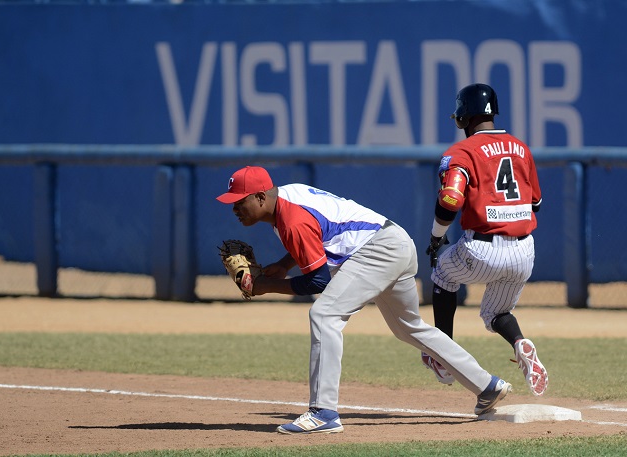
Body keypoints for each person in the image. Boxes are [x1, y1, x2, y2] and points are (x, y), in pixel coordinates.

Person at [216, 165, 512, 435]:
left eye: (238, 201)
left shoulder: (291, 219)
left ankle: (323, 412)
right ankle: (486, 385)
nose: (234, 209)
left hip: (377, 250)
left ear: (259, 197)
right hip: (395, 242)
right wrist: (283, 265)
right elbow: (315, 236)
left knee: (324, 315)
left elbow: (319, 280)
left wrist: (266, 286)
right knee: (410, 327)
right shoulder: (287, 197)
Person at [423, 83, 548, 397]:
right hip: (524, 251)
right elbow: (535, 203)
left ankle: (443, 356)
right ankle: (520, 343)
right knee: (495, 314)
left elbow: (450, 199)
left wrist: (436, 238)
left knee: (441, 273)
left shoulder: (461, 152)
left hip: (482, 249)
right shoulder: (521, 147)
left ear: (463, 117)